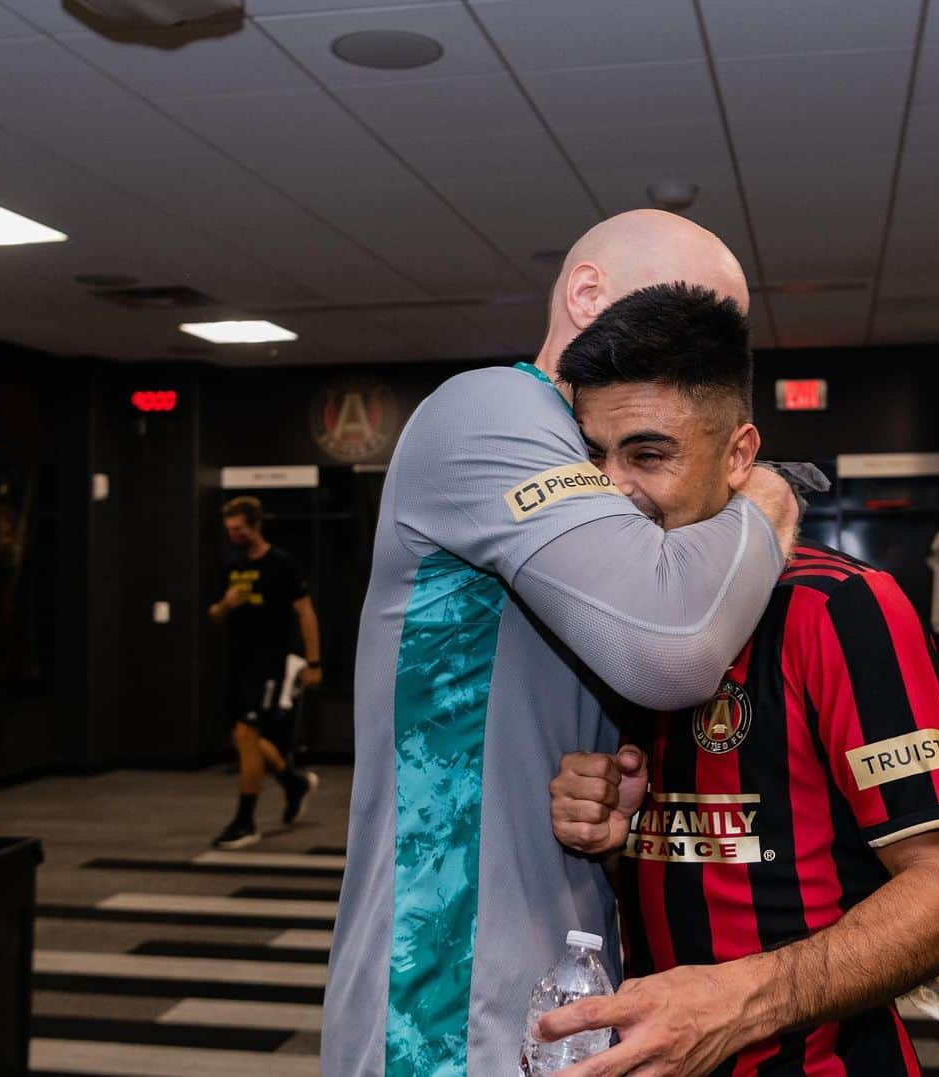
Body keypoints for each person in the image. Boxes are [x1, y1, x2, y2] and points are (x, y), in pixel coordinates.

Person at [320, 211, 808, 1077]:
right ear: (587, 293)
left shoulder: (604, 473)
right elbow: (672, 646)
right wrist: (767, 496)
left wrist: (611, 793)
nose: (701, 353)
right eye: (688, 314)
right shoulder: (491, 409)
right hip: (440, 989)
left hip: (556, 966)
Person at [542, 282, 939, 1076]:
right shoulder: (609, 622)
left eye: (648, 453)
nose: (611, 488)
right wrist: (613, 840)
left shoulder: (841, 609)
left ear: (739, 454)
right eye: (591, 457)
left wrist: (736, 1001)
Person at [208, 495, 322, 850]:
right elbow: (213, 613)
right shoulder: (231, 564)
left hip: (269, 663)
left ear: (254, 526)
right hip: (238, 663)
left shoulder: (280, 564)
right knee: (245, 739)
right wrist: (225, 605)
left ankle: (245, 820)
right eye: (228, 529)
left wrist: (314, 662)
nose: (233, 534)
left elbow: (305, 612)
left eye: (238, 528)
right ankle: (293, 782)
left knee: (246, 733)